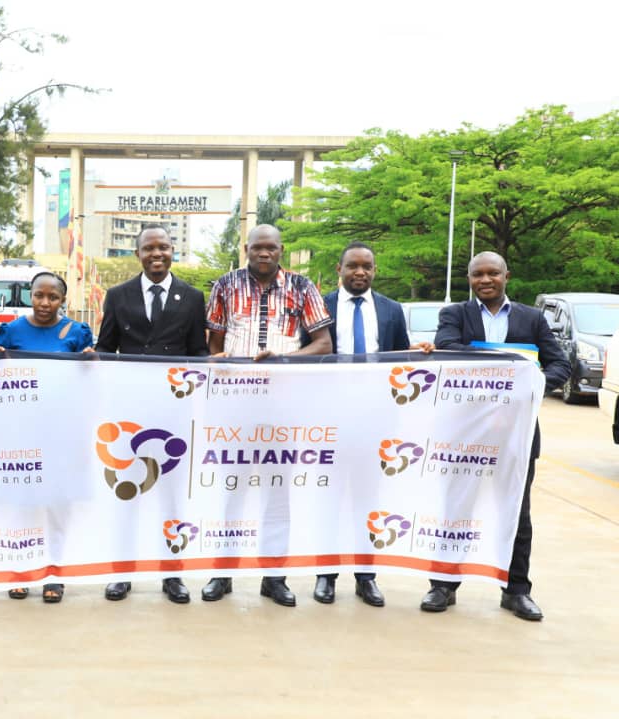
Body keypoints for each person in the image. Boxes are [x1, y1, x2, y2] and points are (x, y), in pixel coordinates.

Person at [422, 251, 570, 621]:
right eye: (477, 274)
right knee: (455, 510)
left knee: (518, 514)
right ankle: (443, 585)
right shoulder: (455, 315)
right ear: (469, 279)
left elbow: (560, 365)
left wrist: (531, 385)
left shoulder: (532, 318)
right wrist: (508, 363)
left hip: (516, 434)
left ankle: (516, 591)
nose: (485, 280)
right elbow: (447, 349)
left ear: (507, 276)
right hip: (464, 435)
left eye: (493, 273)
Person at [203, 224, 333, 607]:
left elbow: (323, 344)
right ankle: (222, 572)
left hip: (284, 403)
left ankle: (274, 577)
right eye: (257, 247)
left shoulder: (302, 287)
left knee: (277, 489)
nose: (264, 253)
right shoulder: (224, 285)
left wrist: (284, 359)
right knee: (231, 487)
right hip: (235, 404)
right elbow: (214, 343)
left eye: (271, 248)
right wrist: (220, 365)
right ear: (246, 248)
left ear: (281, 249)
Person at [313, 241, 434, 607]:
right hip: (331, 418)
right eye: (352, 265)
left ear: (375, 270)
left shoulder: (391, 310)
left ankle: (366, 576)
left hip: (377, 419)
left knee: (369, 500)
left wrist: (419, 353)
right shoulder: (320, 306)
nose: (360, 272)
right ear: (339, 269)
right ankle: (326, 574)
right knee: (330, 499)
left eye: (367, 266)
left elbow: (400, 360)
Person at [95, 224, 208, 604]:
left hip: (173, 413)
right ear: (138, 254)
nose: (156, 254)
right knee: (127, 491)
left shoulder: (192, 297)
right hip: (129, 415)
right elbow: (105, 349)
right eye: (149, 248)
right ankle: (122, 571)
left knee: (172, 497)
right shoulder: (118, 295)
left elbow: (198, 353)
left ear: (173, 251)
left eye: (163, 247)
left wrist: (213, 369)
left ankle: (172, 574)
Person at [0, 271, 94, 603]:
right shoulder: (11, 332)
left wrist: (91, 361)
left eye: (53, 297)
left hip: (62, 432)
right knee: (22, 505)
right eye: (39, 295)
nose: (44, 302)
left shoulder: (77, 332)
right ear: (30, 295)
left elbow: (90, 380)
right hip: (22, 431)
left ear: (62, 300)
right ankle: (20, 570)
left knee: (56, 505)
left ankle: (54, 572)